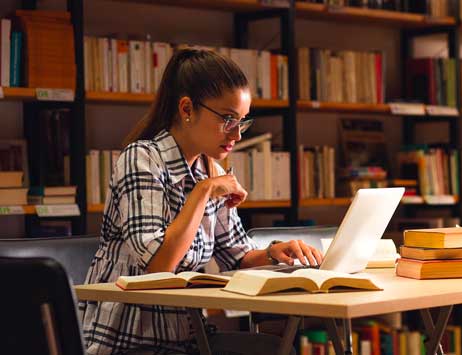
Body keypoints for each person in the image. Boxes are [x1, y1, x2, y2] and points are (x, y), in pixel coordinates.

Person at [79, 47, 323, 355]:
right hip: (129, 341)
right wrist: (204, 192)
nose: (236, 135)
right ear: (186, 109)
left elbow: (236, 257)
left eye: (242, 122)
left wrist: (274, 253)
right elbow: (158, 265)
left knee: (272, 348)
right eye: (227, 119)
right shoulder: (141, 158)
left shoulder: (209, 170)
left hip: (186, 338)